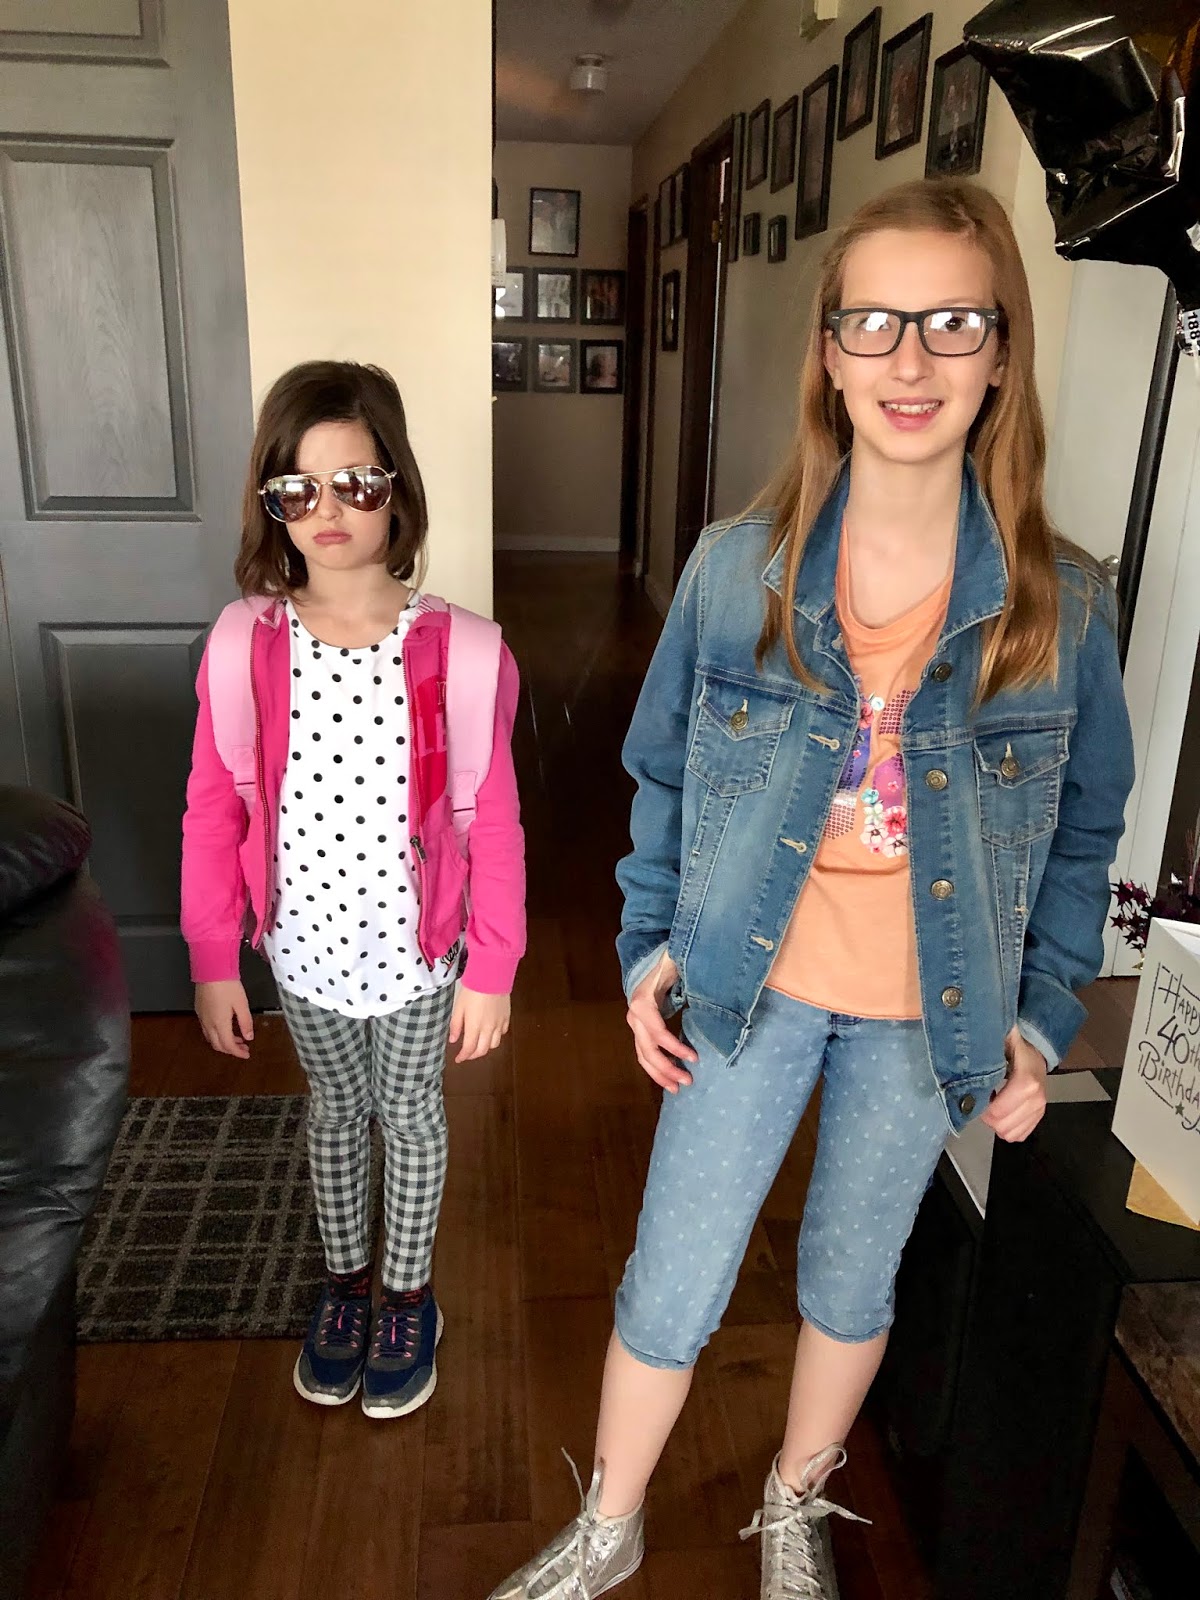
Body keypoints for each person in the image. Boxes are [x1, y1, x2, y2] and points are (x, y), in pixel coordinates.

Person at [486, 178, 1133, 1599]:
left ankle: (793, 1498)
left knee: (852, 1275)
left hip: (926, 1014)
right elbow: (661, 772)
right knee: (675, 1271)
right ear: (831, 353)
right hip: (743, 984)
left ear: (1001, 356)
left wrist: (1038, 1018)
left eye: (953, 322)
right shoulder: (737, 574)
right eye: (876, 323)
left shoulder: (1065, 607)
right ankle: (612, 1523)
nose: (913, 359)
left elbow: (1085, 830)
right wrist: (647, 947)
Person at [181, 360, 525, 1418]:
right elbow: (212, 809)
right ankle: (344, 1286)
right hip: (304, 945)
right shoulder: (242, 645)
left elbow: (495, 821)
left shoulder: (467, 653)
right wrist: (213, 956)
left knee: (410, 1115)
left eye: (357, 484)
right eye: (298, 489)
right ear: (273, 504)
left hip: (420, 950)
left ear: (397, 492)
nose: (327, 511)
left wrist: (493, 969)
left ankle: (407, 1297)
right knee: (334, 1112)